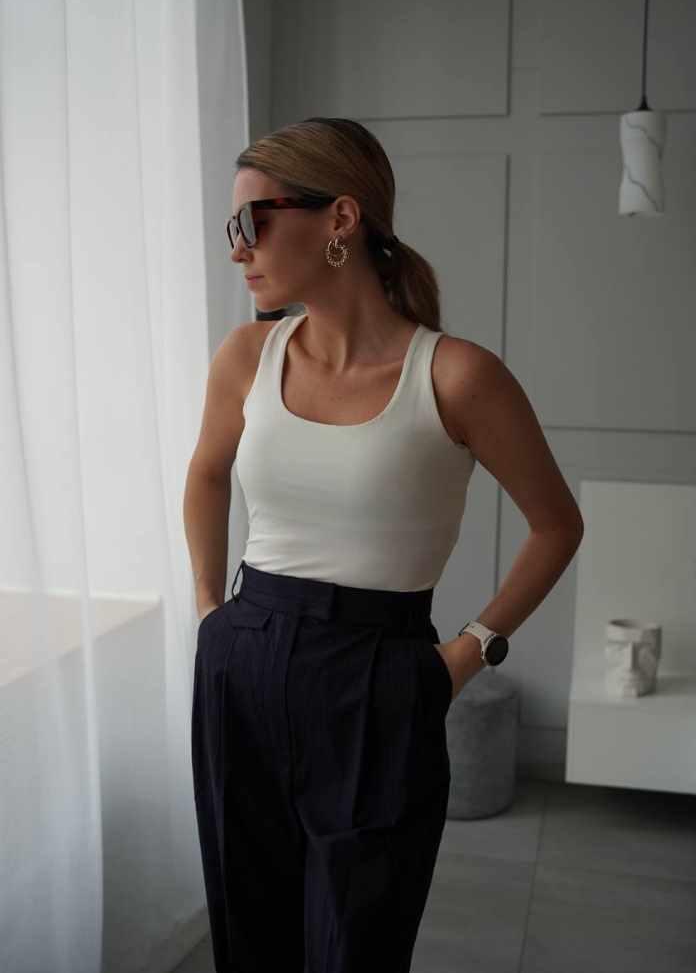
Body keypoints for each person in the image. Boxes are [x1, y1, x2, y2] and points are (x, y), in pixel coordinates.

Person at [183, 116, 583, 972]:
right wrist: (211, 612)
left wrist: (463, 656)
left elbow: (557, 524)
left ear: (340, 218)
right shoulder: (247, 355)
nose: (238, 249)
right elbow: (207, 474)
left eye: (252, 221)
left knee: (356, 947)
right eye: (232, 228)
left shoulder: (457, 375)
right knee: (249, 941)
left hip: (379, 679)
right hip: (243, 661)